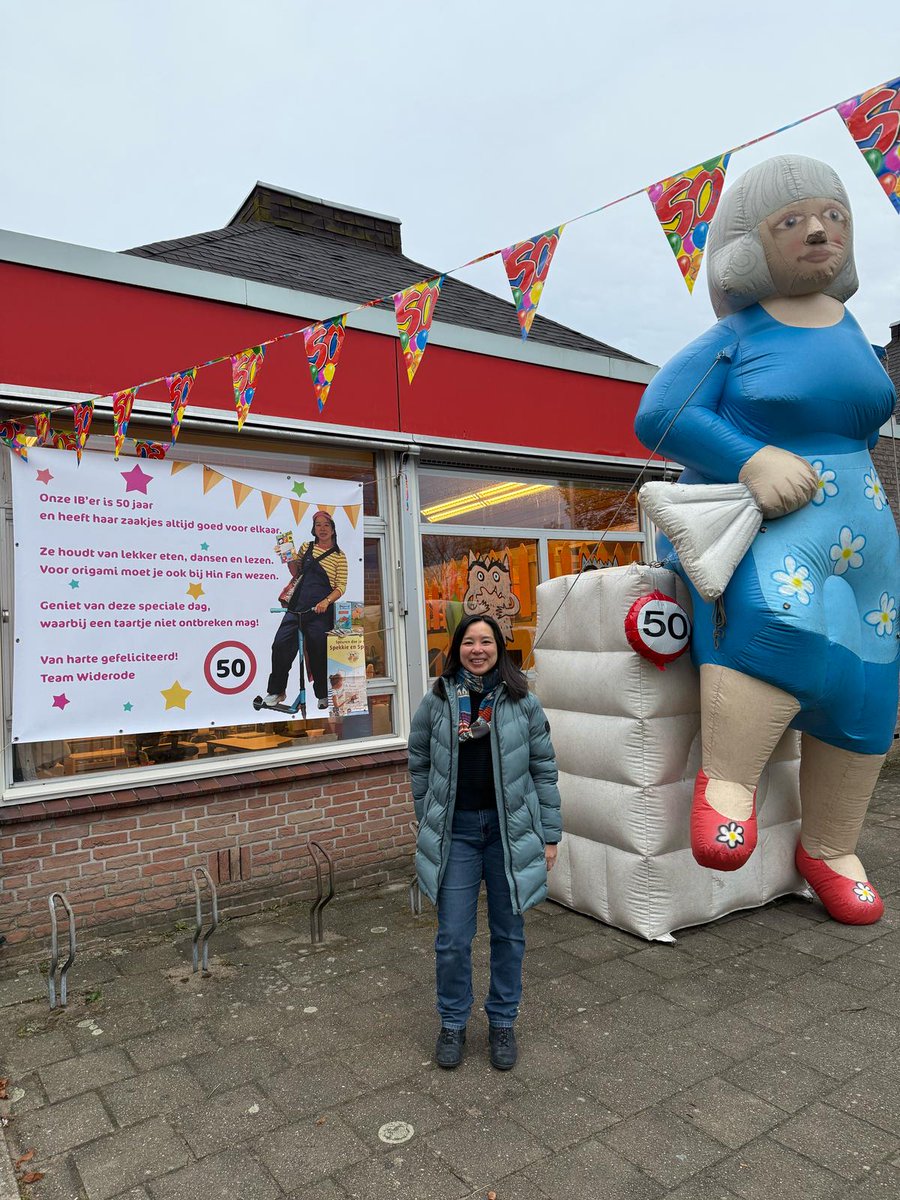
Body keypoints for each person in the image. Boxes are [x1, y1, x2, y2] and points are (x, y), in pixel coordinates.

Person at [635, 154, 900, 924]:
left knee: (872, 676)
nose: (820, 231)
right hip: (774, 521)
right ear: (750, 242)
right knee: (775, 624)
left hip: (868, 527)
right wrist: (750, 456)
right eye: (794, 220)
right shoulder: (737, 333)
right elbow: (661, 415)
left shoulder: (851, 327)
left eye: (834, 217)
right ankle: (727, 782)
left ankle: (832, 844)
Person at [408, 613, 562, 1070]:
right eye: (469, 641)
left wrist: (549, 835)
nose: (478, 649)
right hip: (456, 833)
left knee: (509, 934)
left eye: (487, 641)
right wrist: (426, 817)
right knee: (452, 938)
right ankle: (453, 1023)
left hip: (508, 834)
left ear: (500, 647)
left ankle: (502, 1023)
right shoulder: (436, 700)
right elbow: (418, 760)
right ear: (456, 648)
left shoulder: (522, 702)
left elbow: (544, 770)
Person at [264, 511, 348, 711]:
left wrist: (326, 602)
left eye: (326, 525)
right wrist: (288, 556)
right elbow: (297, 573)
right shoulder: (306, 547)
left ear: (333, 528)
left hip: (320, 611)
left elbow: (340, 586)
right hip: (296, 608)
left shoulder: (339, 556)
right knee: (280, 646)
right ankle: (277, 691)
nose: (322, 528)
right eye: (318, 525)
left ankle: (321, 693)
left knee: (319, 650)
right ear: (314, 529)